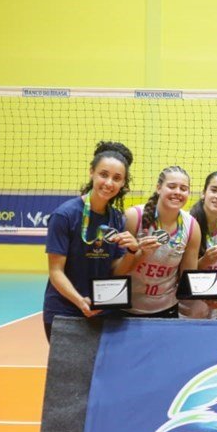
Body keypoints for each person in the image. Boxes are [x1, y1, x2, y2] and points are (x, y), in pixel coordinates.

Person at [43, 141, 138, 341]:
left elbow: (116, 271)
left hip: (104, 310)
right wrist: (80, 301)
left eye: (117, 178)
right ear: (92, 173)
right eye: (104, 174)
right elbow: (55, 271)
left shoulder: (117, 218)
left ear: (123, 183)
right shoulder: (65, 215)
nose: (109, 183)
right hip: (66, 311)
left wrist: (132, 251)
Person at [116, 166, 201, 318]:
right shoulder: (134, 217)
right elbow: (116, 271)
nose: (178, 192)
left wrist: (207, 294)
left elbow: (187, 277)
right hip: (126, 308)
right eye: (172, 186)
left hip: (166, 308)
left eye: (183, 188)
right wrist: (140, 253)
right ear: (158, 188)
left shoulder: (192, 226)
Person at [180, 171, 217, 319]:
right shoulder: (189, 223)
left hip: (216, 300)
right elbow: (182, 275)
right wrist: (205, 261)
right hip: (190, 303)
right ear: (204, 193)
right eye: (214, 190)